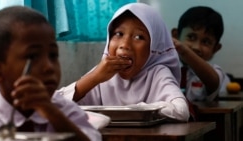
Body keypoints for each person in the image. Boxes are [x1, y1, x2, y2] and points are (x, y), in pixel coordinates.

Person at [60, 3, 190, 122]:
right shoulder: (102, 74)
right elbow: (53, 106)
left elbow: (181, 111)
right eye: (118, 33)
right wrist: (93, 78)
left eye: (139, 37)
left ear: (153, 47)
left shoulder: (157, 73)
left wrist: (136, 111)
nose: (124, 45)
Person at [0, 6, 101, 141]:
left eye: (53, 55)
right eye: (33, 56)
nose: (49, 67)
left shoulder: (63, 110)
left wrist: (51, 113)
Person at [172, 6, 231, 101]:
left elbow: (214, 83)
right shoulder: (163, 67)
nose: (196, 47)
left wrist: (185, 51)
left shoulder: (213, 73)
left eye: (206, 42)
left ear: (216, 48)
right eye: (191, 37)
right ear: (176, 36)